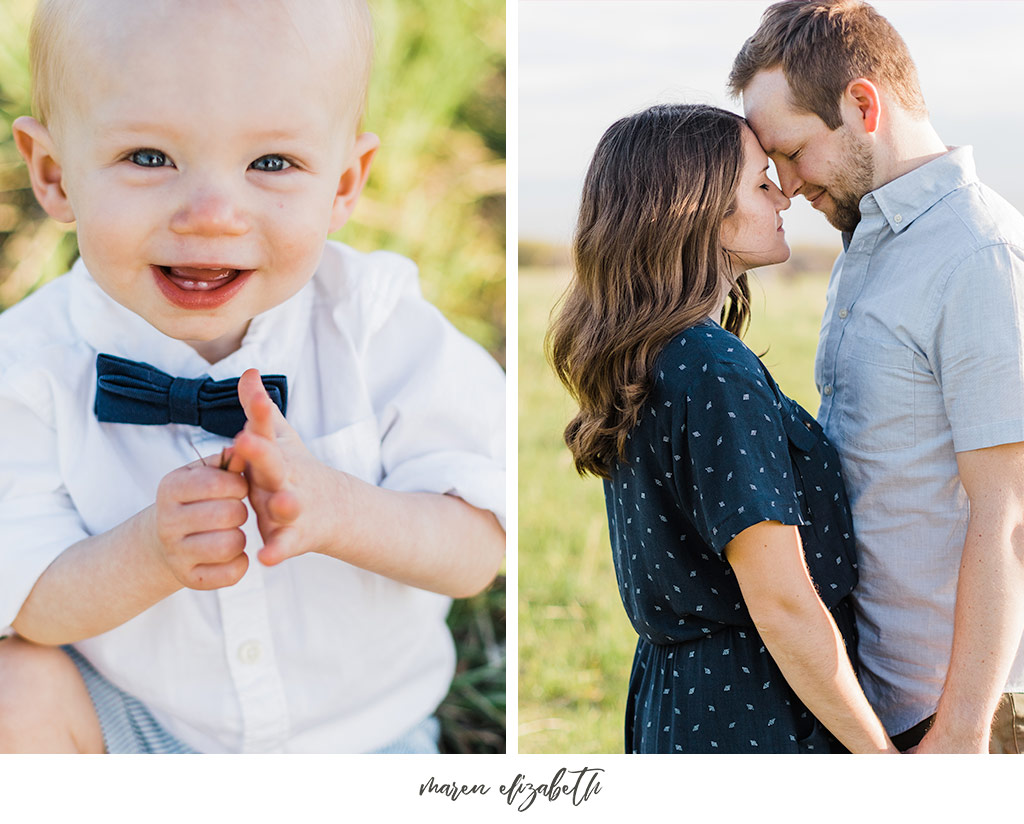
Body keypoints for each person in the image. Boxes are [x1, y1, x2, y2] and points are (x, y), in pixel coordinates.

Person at [0, 0, 506, 754]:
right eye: (148, 157)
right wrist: (146, 554)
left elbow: (477, 549)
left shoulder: (376, 327)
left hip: (362, 745)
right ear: (54, 175)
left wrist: (342, 510)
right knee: (15, 687)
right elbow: (28, 599)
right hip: (141, 730)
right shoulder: (29, 365)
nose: (211, 214)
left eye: (271, 164)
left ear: (343, 183)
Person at [547, 103, 896, 754]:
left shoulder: (656, 352)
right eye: (761, 182)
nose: (783, 195)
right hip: (755, 706)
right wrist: (883, 762)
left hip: (680, 696)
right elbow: (784, 605)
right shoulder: (712, 369)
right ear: (698, 207)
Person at [729, 0, 1024, 753]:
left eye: (792, 152)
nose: (786, 186)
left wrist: (958, 735)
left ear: (863, 104)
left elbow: (1011, 516)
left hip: (959, 712)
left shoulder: (977, 254)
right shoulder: (869, 244)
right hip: (880, 695)